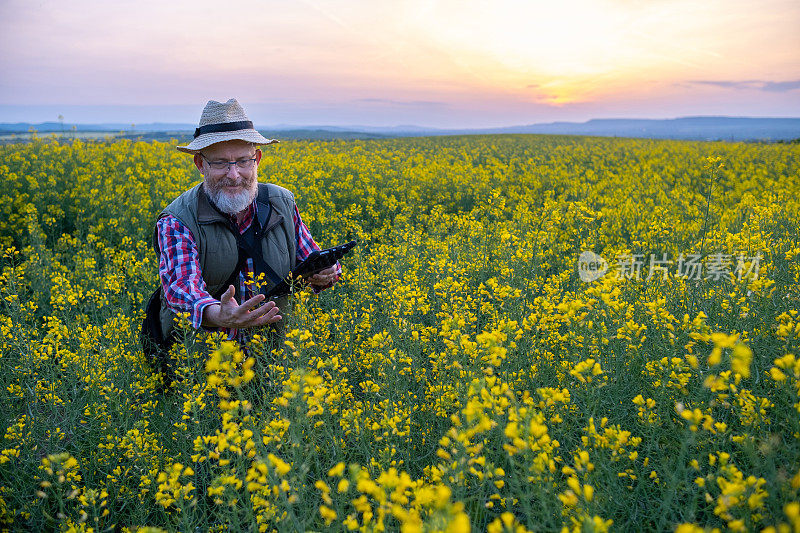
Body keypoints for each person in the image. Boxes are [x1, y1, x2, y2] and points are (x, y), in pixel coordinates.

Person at [153, 98, 339, 350]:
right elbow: (182, 288)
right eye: (219, 163)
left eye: (243, 161)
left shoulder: (281, 202)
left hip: (275, 358)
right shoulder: (178, 219)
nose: (234, 174)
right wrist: (218, 314)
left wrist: (325, 272)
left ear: (257, 159)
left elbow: (309, 258)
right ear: (200, 164)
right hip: (206, 364)